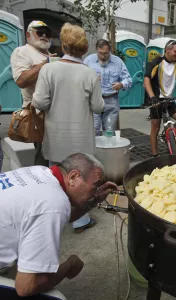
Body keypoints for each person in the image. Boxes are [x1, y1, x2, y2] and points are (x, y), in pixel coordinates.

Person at [0, 153, 117, 298]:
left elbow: (58, 214)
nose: (94, 192)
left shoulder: (39, 172)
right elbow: (25, 287)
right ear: (73, 177)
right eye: (94, 186)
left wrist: (93, 201)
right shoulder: (53, 203)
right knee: (54, 295)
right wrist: (67, 267)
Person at [32, 23, 104, 233]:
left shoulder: (48, 69)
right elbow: (98, 107)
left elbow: (40, 103)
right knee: (82, 179)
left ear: (63, 45)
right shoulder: (90, 74)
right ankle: (81, 221)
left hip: (56, 138)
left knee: (57, 178)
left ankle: (54, 218)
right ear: (85, 48)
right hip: (82, 140)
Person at [10, 20, 55, 167]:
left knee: (55, 152)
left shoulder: (48, 54)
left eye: (47, 33)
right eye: (39, 32)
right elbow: (21, 80)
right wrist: (45, 63)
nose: (44, 36)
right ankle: (41, 183)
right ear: (28, 34)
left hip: (54, 112)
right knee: (42, 153)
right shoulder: (22, 51)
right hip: (36, 112)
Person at [144, 40, 176, 157]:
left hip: (169, 99)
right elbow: (146, 79)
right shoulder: (156, 62)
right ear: (167, 50)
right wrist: (152, 97)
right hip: (157, 100)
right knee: (155, 127)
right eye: (175, 51)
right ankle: (155, 154)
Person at [84, 39, 132, 135]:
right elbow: (80, 79)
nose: (102, 56)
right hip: (94, 100)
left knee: (109, 132)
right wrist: (90, 79)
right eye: (100, 53)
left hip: (111, 101)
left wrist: (121, 84)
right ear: (96, 50)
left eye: (105, 53)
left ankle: (108, 149)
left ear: (109, 51)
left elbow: (129, 79)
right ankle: (94, 150)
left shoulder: (118, 62)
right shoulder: (89, 61)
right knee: (93, 131)